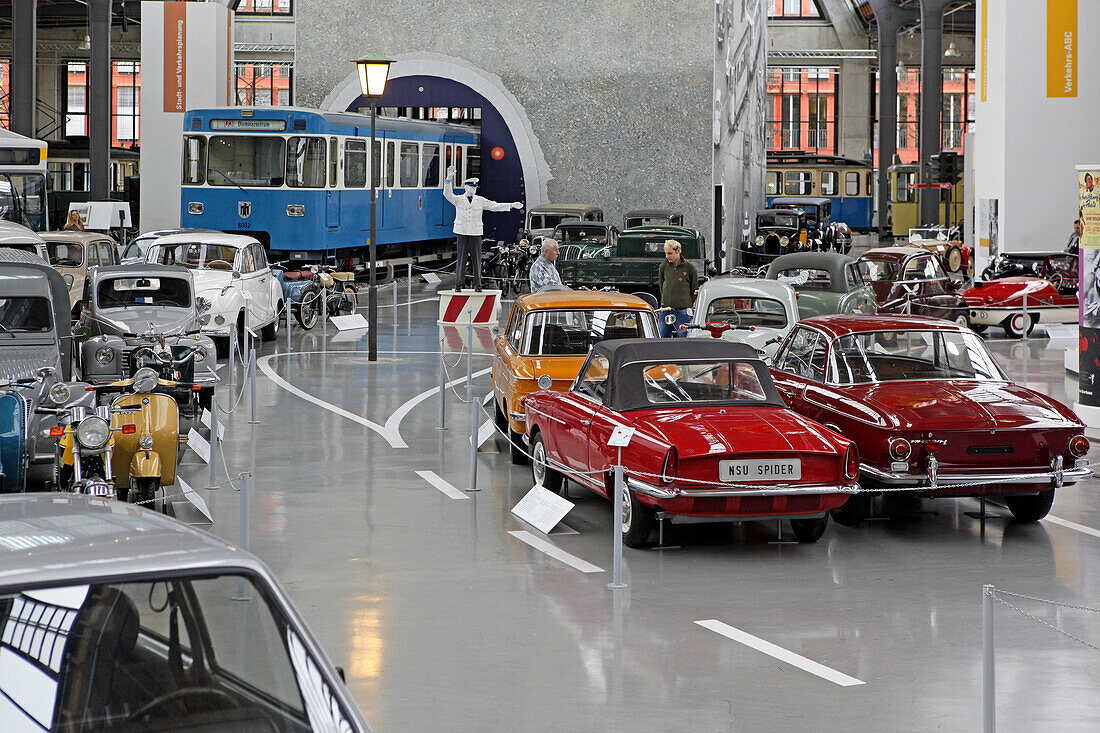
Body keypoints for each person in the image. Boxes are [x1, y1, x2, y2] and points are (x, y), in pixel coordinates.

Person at [443, 165, 523, 291]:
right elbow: (447, 194)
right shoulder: (458, 200)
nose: (473, 189)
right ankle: (458, 285)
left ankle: (478, 285)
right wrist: (449, 179)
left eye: (475, 187)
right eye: (471, 186)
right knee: (461, 259)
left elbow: (494, 206)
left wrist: (511, 205)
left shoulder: (480, 200)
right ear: (465, 187)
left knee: (477, 259)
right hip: (462, 231)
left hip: (475, 232)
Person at [658, 239, 697, 338]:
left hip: (682, 312)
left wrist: (687, 304)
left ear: (678, 251)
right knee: (662, 340)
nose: (667, 256)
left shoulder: (690, 268)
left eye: (670, 253)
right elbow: (662, 285)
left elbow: (694, 289)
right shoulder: (663, 267)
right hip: (665, 310)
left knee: (683, 340)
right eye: (666, 253)